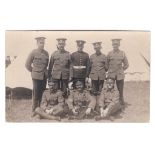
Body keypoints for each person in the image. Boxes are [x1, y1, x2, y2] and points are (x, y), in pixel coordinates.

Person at [25, 37, 49, 117]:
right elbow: (27, 64)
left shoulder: (46, 53)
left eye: (43, 43)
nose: (42, 44)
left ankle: (41, 109)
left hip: (44, 76)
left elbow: (46, 65)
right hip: (36, 76)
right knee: (36, 94)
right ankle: (34, 110)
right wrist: (33, 71)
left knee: (42, 94)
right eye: (40, 43)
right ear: (37, 43)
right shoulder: (33, 52)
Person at [107, 39, 129, 105]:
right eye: (114, 44)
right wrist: (109, 70)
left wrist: (121, 70)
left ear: (119, 45)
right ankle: (109, 102)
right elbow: (106, 63)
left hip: (120, 75)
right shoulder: (109, 53)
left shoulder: (122, 53)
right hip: (111, 75)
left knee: (120, 90)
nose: (115, 46)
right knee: (110, 89)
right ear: (112, 45)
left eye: (116, 44)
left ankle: (121, 102)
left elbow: (126, 64)